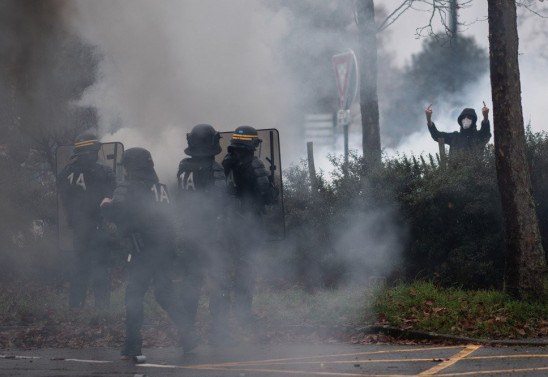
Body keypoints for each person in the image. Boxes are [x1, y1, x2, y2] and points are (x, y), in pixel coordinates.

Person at [100, 147, 196, 359]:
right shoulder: (160, 188)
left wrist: (105, 206)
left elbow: (117, 214)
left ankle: (133, 345)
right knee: (165, 294)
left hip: (142, 250)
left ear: (130, 167)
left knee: (134, 296)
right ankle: (188, 336)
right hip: (164, 249)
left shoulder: (127, 187)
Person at [175, 124, 231, 345]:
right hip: (210, 237)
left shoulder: (183, 166)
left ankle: (186, 335)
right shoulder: (214, 169)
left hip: (189, 233)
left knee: (190, 286)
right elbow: (221, 202)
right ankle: (219, 335)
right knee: (219, 285)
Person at [221, 126, 278, 323]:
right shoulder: (255, 164)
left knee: (225, 269)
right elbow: (268, 197)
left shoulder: (225, 163)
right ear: (252, 144)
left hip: (227, 224)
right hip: (249, 224)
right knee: (247, 269)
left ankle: (222, 316)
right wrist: (272, 185)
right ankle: (243, 314)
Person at [57, 131, 115, 309]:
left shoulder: (65, 173)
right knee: (101, 267)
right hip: (97, 227)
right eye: (95, 151)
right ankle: (102, 307)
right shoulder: (102, 172)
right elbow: (111, 196)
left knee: (80, 267)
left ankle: (75, 306)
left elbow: (65, 199)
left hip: (78, 228)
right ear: (91, 153)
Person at [425, 103, 491, 157]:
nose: (466, 119)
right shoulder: (454, 137)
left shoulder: (479, 136)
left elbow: (486, 133)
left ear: (473, 121)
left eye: (469, 117)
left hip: (476, 172)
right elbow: (437, 135)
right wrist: (428, 119)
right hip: (456, 172)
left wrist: (485, 117)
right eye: (464, 117)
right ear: (460, 120)